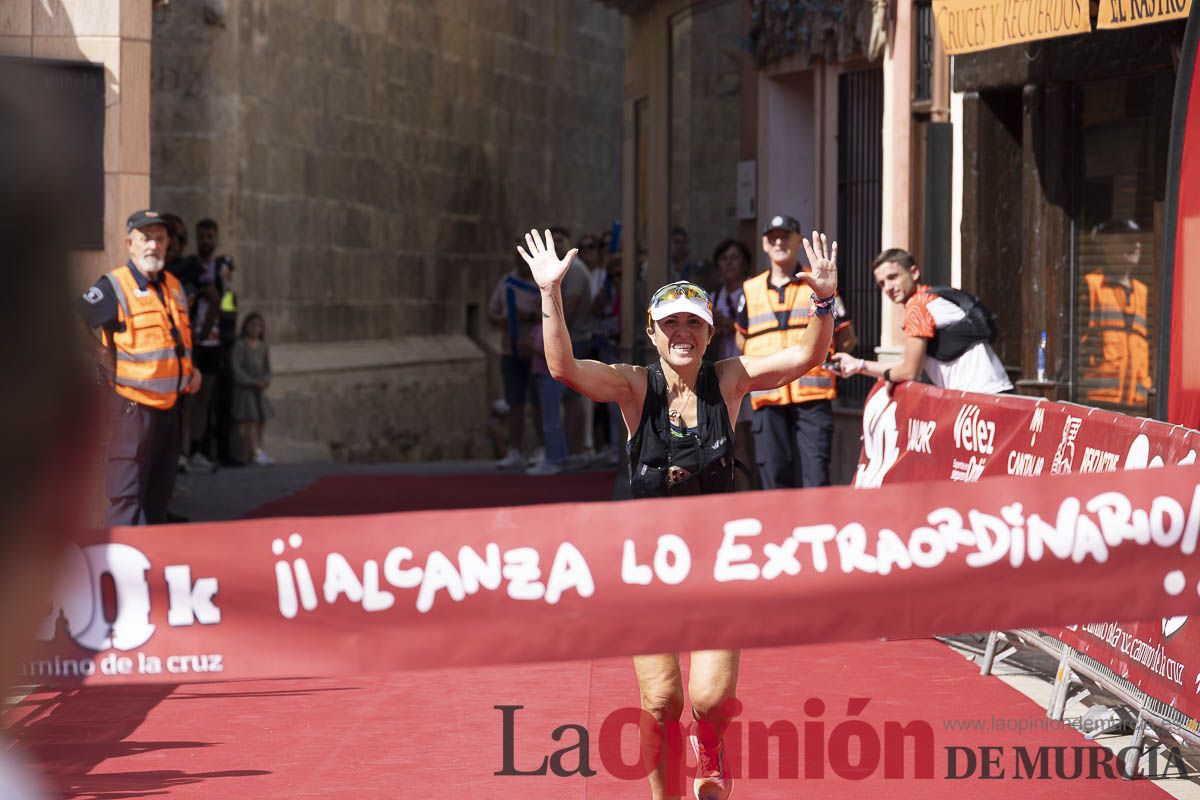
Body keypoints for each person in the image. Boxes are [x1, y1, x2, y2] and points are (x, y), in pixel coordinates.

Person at [519, 226, 837, 800]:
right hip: (649, 567)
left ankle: (709, 744)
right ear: (653, 332)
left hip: (716, 565)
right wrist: (550, 293)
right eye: (671, 324)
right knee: (662, 699)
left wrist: (823, 301)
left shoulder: (730, 380)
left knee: (710, 700)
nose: (683, 333)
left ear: (711, 332)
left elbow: (808, 356)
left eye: (694, 322)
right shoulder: (633, 387)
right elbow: (565, 368)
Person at [78, 209, 202, 525]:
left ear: (167, 243)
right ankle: (121, 557)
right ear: (130, 244)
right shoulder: (114, 286)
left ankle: (151, 557)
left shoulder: (173, 286)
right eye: (145, 238)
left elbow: (173, 340)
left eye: (159, 239)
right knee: (127, 501)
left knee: (158, 500)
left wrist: (190, 371)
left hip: (170, 412)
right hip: (133, 411)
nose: (153, 245)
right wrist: (100, 354)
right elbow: (75, 317)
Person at [736, 214, 857, 489]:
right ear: (764, 244)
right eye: (772, 237)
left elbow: (847, 339)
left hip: (812, 396)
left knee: (816, 477)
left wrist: (827, 358)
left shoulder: (819, 282)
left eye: (785, 236)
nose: (778, 242)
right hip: (768, 394)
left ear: (797, 240)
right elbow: (741, 341)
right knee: (774, 479)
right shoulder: (750, 289)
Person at [832, 248, 1013, 393]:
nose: (888, 287)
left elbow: (909, 372)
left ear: (914, 272)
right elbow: (910, 365)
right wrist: (859, 365)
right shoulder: (931, 297)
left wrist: (874, 371)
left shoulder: (917, 307)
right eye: (881, 283)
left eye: (893, 277)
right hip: (995, 392)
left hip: (980, 398)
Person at [1078, 220, 1152, 409]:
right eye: (1128, 240)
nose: (1136, 246)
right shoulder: (1091, 285)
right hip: (1099, 402)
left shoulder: (1142, 292)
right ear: (1107, 245)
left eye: (1138, 241)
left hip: (1137, 404)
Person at [487, 249, 544, 468]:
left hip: (534, 351)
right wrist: (502, 319)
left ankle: (542, 448)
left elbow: (551, 314)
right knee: (514, 402)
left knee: (538, 403)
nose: (521, 263)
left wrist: (527, 316)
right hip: (510, 350)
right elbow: (492, 312)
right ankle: (516, 450)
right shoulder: (506, 282)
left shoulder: (541, 283)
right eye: (518, 259)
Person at [710, 239, 756, 489]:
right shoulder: (714, 297)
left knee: (751, 444)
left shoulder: (753, 293)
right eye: (724, 259)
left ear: (746, 264)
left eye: (734, 258)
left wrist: (728, 324)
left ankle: (752, 494)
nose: (729, 263)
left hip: (751, 375)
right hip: (725, 377)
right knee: (733, 443)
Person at [185, 217, 225, 471]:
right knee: (189, 398)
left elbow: (221, 300)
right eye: (201, 236)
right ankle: (182, 451)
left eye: (210, 237)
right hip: (193, 338)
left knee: (205, 398)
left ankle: (197, 449)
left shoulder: (221, 268)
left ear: (216, 239)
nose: (205, 241)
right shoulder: (191, 266)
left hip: (214, 341)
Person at [230, 312, 275, 465]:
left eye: (259, 326)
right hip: (246, 390)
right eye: (253, 325)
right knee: (249, 420)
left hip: (259, 390)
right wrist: (252, 381)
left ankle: (259, 448)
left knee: (261, 418)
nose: (256, 328)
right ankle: (253, 451)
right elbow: (237, 368)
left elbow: (267, 368)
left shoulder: (263, 346)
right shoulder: (241, 345)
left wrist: (265, 380)